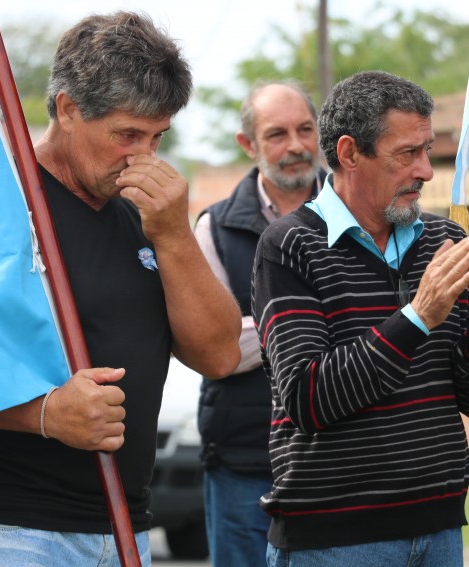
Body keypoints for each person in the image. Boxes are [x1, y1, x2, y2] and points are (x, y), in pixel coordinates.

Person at [0, 11, 241, 566]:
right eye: (126, 135)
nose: (143, 156)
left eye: (157, 136)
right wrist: (44, 413)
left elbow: (219, 353)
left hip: (122, 527)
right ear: (66, 109)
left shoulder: (148, 213)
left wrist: (173, 235)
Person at [252, 70, 469, 567]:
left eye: (427, 150)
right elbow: (307, 398)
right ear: (348, 154)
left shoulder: (441, 241)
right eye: (408, 153)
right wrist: (417, 316)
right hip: (331, 541)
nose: (426, 170)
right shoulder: (290, 245)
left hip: (439, 530)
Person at [194, 80, 326, 567]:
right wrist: (317, 319)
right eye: (276, 134)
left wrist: (257, 328)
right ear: (248, 145)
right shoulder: (215, 227)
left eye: (305, 129)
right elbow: (215, 350)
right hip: (243, 462)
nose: (295, 146)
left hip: (337, 459)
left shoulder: (358, 215)